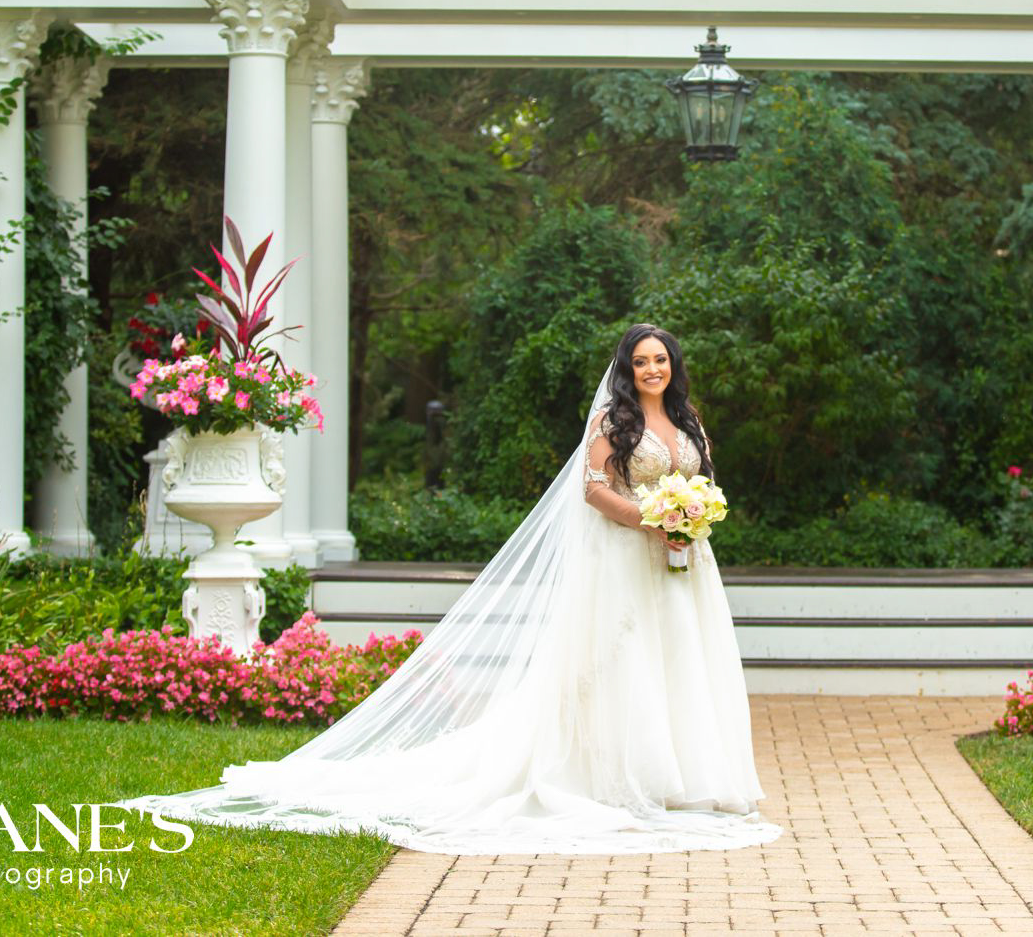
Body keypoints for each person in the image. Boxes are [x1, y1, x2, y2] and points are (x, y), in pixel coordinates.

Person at [116, 324, 781, 855]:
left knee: (682, 664)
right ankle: (631, 777)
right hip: (624, 560)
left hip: (686, 566)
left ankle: (694, 777)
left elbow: (707, 482)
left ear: (674, 366)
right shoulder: (614, 425)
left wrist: (693, 516)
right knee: (623, 664)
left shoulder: (690, 423)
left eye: (660, 359)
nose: (651, 370)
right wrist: (649, 517)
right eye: (640, 361)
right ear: (627, 369)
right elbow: (593, 489)